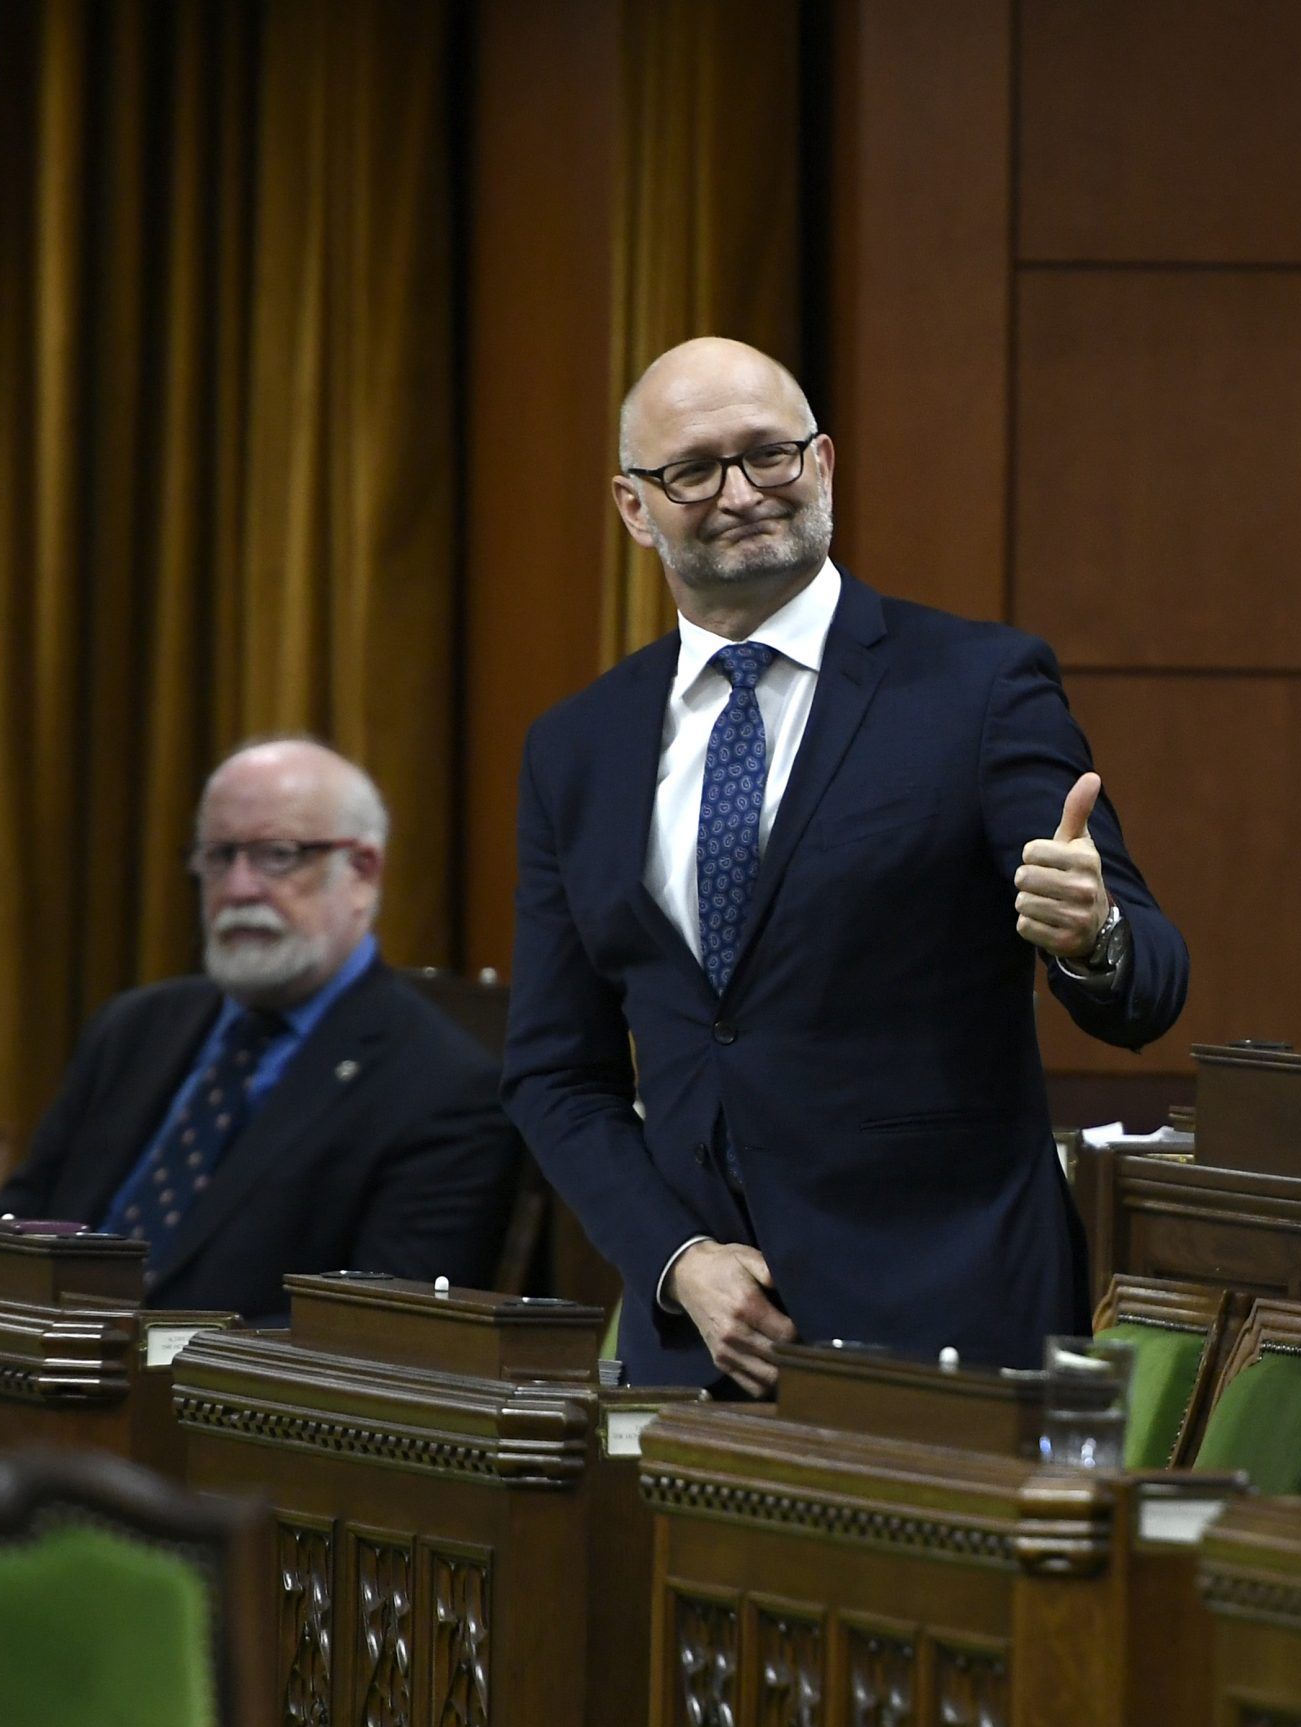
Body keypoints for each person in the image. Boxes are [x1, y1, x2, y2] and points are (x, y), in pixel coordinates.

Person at [502, 336, 1188, 1395]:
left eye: (769, 456)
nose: (741, 493)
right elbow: (557, 1072)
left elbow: (1149, 985)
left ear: (822, 464)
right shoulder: (575, 748)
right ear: (634, 508)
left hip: (948, 1328)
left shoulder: (977, 686)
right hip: (701, 1351)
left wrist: (1091, 933)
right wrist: (679, 1264)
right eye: (693, 470)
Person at [0, 738, 518, 1318]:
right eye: (219, 856)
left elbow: (381, 1335)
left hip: (214, 1400)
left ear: (363, 871)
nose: (239, 889)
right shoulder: (132, 1030)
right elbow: (17, 1224)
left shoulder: (443, 1092)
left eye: (278, 855)